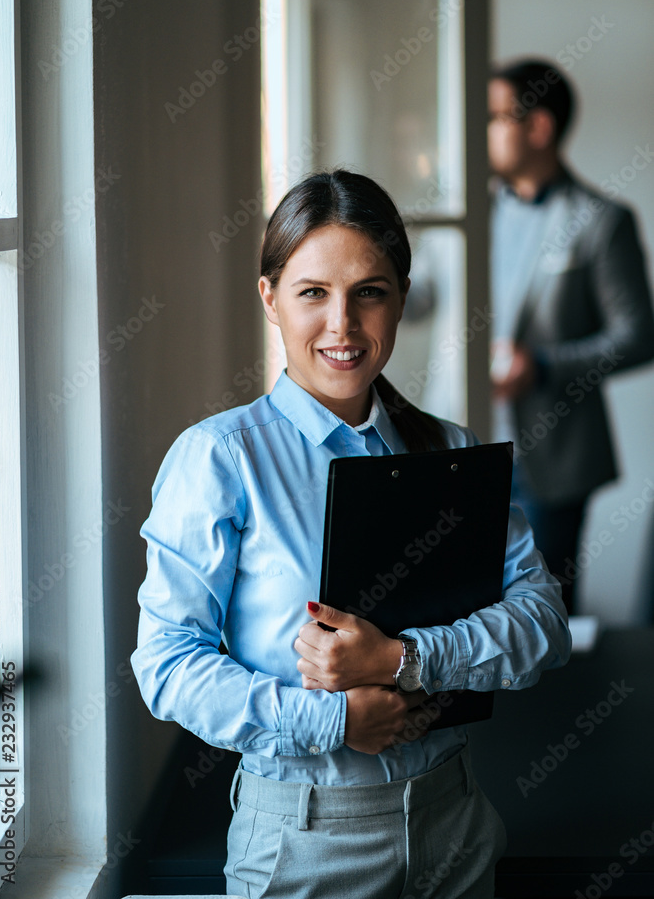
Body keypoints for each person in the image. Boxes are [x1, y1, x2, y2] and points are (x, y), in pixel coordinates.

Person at [132, 169, 571, 899]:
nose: (343, 325)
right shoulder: (220, 458)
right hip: (305, 843)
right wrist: (335, 719)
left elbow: (543, 624)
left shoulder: (449, 451)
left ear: (400, 299)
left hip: (455, 826)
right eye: (313, 293)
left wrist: (405, 659)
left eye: (369, 291)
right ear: (270, 298)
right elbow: (168, 667)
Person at [487, 59, 654, 615]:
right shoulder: (468, 214)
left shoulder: (602, 221)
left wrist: (542, 365)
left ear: (538, 128)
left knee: (545, 616)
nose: (483, 129)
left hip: (553, 458)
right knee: (464, 610)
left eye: (494, 116)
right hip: (465, 445)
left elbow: (638, 336)